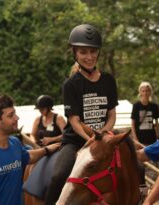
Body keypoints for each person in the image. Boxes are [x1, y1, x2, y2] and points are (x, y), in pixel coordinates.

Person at [44, 24, 118, 205]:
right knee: (58, 176)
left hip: (104, 138)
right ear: (75, 53)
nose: (89, 57)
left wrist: (103, 135)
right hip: (77, 140)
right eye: (83, 52)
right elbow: (75, 121)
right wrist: (90, 139)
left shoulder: (108, 80)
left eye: (93, 51)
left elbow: (111, 114)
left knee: (137, 165)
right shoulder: (70, 84)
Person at [0, 94, 61, 205]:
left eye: (15, 113)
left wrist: (46, 150)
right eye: (11, 115)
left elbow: (28, 156)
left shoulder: (15, 143)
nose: (17, 118)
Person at [23, 95, 66, 204]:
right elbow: (32, 134)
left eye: (42, 109)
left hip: (57, 149)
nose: (40, 111)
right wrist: (34, 143)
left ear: (48, 108)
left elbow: (66, 135)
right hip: (41, 148)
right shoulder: (38, 119)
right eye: (39, 109)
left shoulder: (59, 118)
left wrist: (51, 139)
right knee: (29, 164)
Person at [131, 81, 159, 147]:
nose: (145, 93)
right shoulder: (136, 106)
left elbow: (157, 123)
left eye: (147, 91)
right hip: (140, 138)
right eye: (143, 91)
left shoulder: (154, 106)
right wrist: (135, 138)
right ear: (140, 92)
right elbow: (133, 124)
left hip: (151, 138)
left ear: (150, 92)